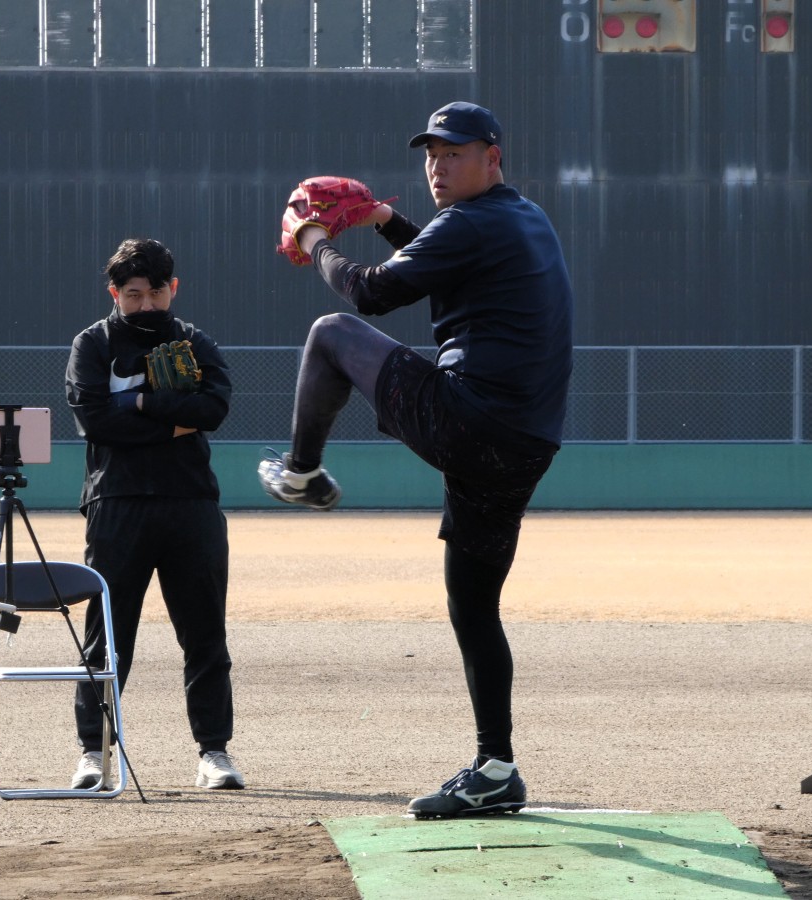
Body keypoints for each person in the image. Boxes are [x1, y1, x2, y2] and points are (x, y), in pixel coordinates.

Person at [259, 101, 573, 818]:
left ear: (493, 156)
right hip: (522, 444)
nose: (437, 165)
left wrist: (315, 240)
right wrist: (380, 222)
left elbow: (373, 294)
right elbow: (438, 264)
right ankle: (496, 768)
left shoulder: (472, 222)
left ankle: (302, 473)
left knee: (332, 332)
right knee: (473, 602)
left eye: (454, 152)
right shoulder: (518, 217)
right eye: (430, 153)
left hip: (472, 420)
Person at [65, 237, 243, 790]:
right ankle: (93, 754)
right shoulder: (92, 345)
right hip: (116, 504)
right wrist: (174, 420)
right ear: (114, 293)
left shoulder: (193, 341)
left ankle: (213, 753)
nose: (146, 305)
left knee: (205, 635)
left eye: (156, 293)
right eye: (134, 294)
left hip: (191, 503)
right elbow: (96, 422)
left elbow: (214, 408)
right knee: (107, 638)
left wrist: (138, 402)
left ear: (174, 289)